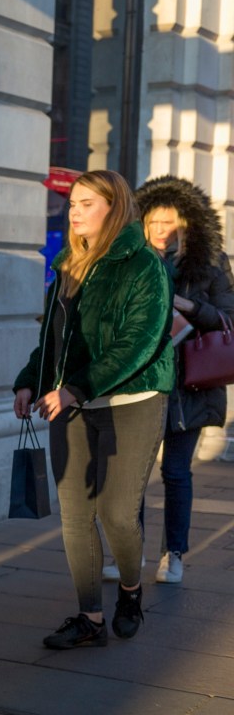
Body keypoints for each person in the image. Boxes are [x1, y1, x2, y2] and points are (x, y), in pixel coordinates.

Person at [13, 170, 174, 649]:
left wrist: (76, 388)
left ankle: (129, 589)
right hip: (72, 404)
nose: (74, 211)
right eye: (72, 203)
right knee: (74, 515)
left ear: (114, 207)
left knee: (119, 513)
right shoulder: (69, 263)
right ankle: (89, 617)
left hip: (133, 400)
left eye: (86, 203)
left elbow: (138, 343)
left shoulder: (143, 263)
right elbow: (51, 341)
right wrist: (31, 382)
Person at [133, 176, 234, 584]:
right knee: (133, 475)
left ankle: (172, 554)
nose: (160, 231)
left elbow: (227, 319)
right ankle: (129, 551)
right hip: (139, 381)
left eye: (168, 223)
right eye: (153, 223)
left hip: (189, 385)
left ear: (185, 224)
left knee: (176, 471)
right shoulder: (131, 260)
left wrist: (185, 304)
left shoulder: (211, 263)